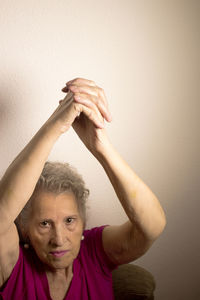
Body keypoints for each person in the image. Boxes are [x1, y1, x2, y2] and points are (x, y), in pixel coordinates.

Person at [0, 77, 166, 300]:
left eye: (69, 221)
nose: (59, 239)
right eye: (44, 223)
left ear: (83, 223)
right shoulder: (13, 265)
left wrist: (100, 146)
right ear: (25, 230)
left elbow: (152, 226)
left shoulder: (94, 253)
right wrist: (56, 126)